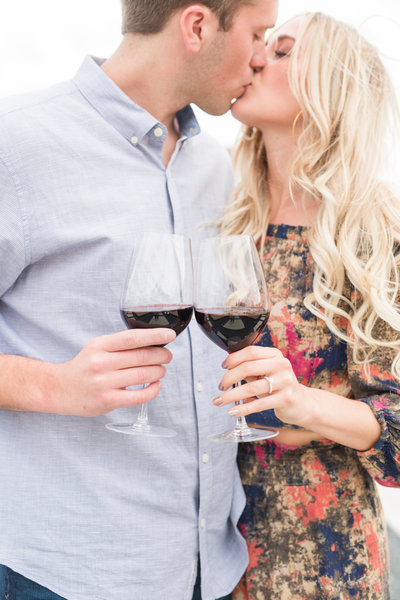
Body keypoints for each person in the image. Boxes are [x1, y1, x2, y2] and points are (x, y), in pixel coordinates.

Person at [0, 1, 279, 599]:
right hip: (66, 573)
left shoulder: (219, 169)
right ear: (198, 26)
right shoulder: (16, 144)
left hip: (211, 570)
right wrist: (54, 385)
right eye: (258, 34)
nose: (261, 57)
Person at [213, 12, 400, 600]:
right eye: (265, 44)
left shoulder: (374, 234)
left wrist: (301, 405)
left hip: (323, 565)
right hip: (201, 559)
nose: (258, 57)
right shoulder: (217, 215)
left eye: (285, 50)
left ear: (332, 88)